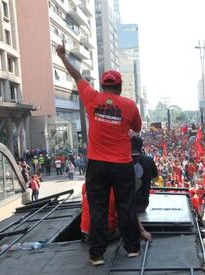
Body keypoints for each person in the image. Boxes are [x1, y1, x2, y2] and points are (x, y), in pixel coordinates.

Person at [56, 42, 142, 266]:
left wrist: (62, 55)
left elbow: (76, 75)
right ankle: (132, 248)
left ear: (103, 87)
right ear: (120, 87)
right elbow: (138, 128)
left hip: (97, 165)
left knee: (98, 209)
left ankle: (96, 254)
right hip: (122, 164)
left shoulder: (92, 97)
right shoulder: (129, 105)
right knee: (126, 206)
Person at [131, 135, 158, 213]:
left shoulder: (122, 160)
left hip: (126, 202)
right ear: (141, 146)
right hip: (143, 203)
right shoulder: (149, 160)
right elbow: (155, 178)